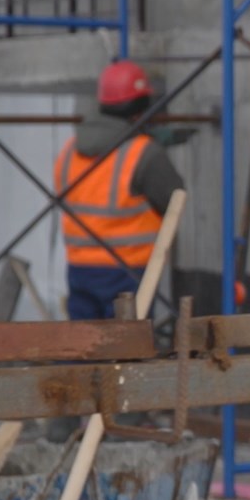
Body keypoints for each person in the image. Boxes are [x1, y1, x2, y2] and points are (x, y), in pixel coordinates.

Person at [54, 59, 185, 320]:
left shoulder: (69, 151)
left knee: (85, 349)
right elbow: (175, 199)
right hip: (127, 271)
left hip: (79, 269)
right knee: (126, 352)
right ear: (140, 110)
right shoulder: (143, 153)